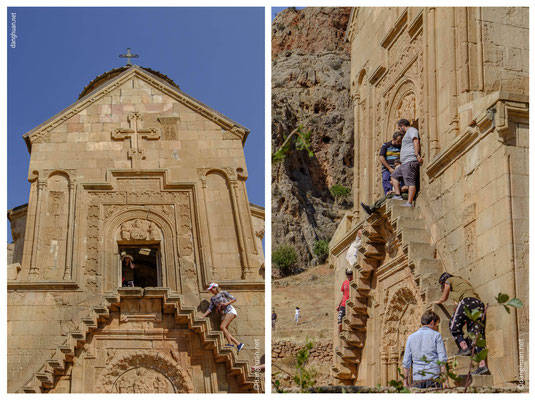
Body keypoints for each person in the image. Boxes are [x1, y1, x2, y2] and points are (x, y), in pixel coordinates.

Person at [432, 273, 489, 375]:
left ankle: (464, 348)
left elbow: (445, 296)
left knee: (453, 325)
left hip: (467, 301)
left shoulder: (449, 280)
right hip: (479, 305)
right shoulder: (462, 281)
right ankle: (482, 365)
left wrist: (439, 301)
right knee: (476, 337)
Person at [402, 310, 449, 389]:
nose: (437, 327)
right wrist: (445, 380)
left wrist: (405, 382)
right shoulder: (436, 335)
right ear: (432, 322)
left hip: (417, 379)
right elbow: (442, 359)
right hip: (433, 378)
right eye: (437, 324)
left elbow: (406, 362)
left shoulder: (410, 338)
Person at [202, 282, 245, 352]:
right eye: (210, 289)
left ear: (215, 288)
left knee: (222, 327)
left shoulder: (223, 293)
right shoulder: (212, 299)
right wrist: (203, 316)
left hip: (230, 311)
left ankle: (230, 343)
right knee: (224, 330)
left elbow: (234, 299)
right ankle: (238, 343)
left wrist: (225, 304)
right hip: (224, 314)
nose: (211, 291)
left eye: (211, 289)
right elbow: (209, 309)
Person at [391, 119, 423, 207]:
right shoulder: (407, 134)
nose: (399, 131)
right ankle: (398, 195)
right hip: (404, 163)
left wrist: (417, 155)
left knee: (410, 182)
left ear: (402, 126)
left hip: (410, 161)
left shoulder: (412, 130)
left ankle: (409, 202)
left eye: (399, 128)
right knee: (394, 176)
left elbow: (415, 141)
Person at [337, 268, 353, 333]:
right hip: (343, 304)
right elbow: (343, 294)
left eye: (350, 274)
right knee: (339, 321)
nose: (349, 276)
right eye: (348, 274)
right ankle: (339, 334)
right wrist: (339, 304)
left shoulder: (354, 282)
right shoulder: (344, 283)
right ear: (346, 275)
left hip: (351, 304)